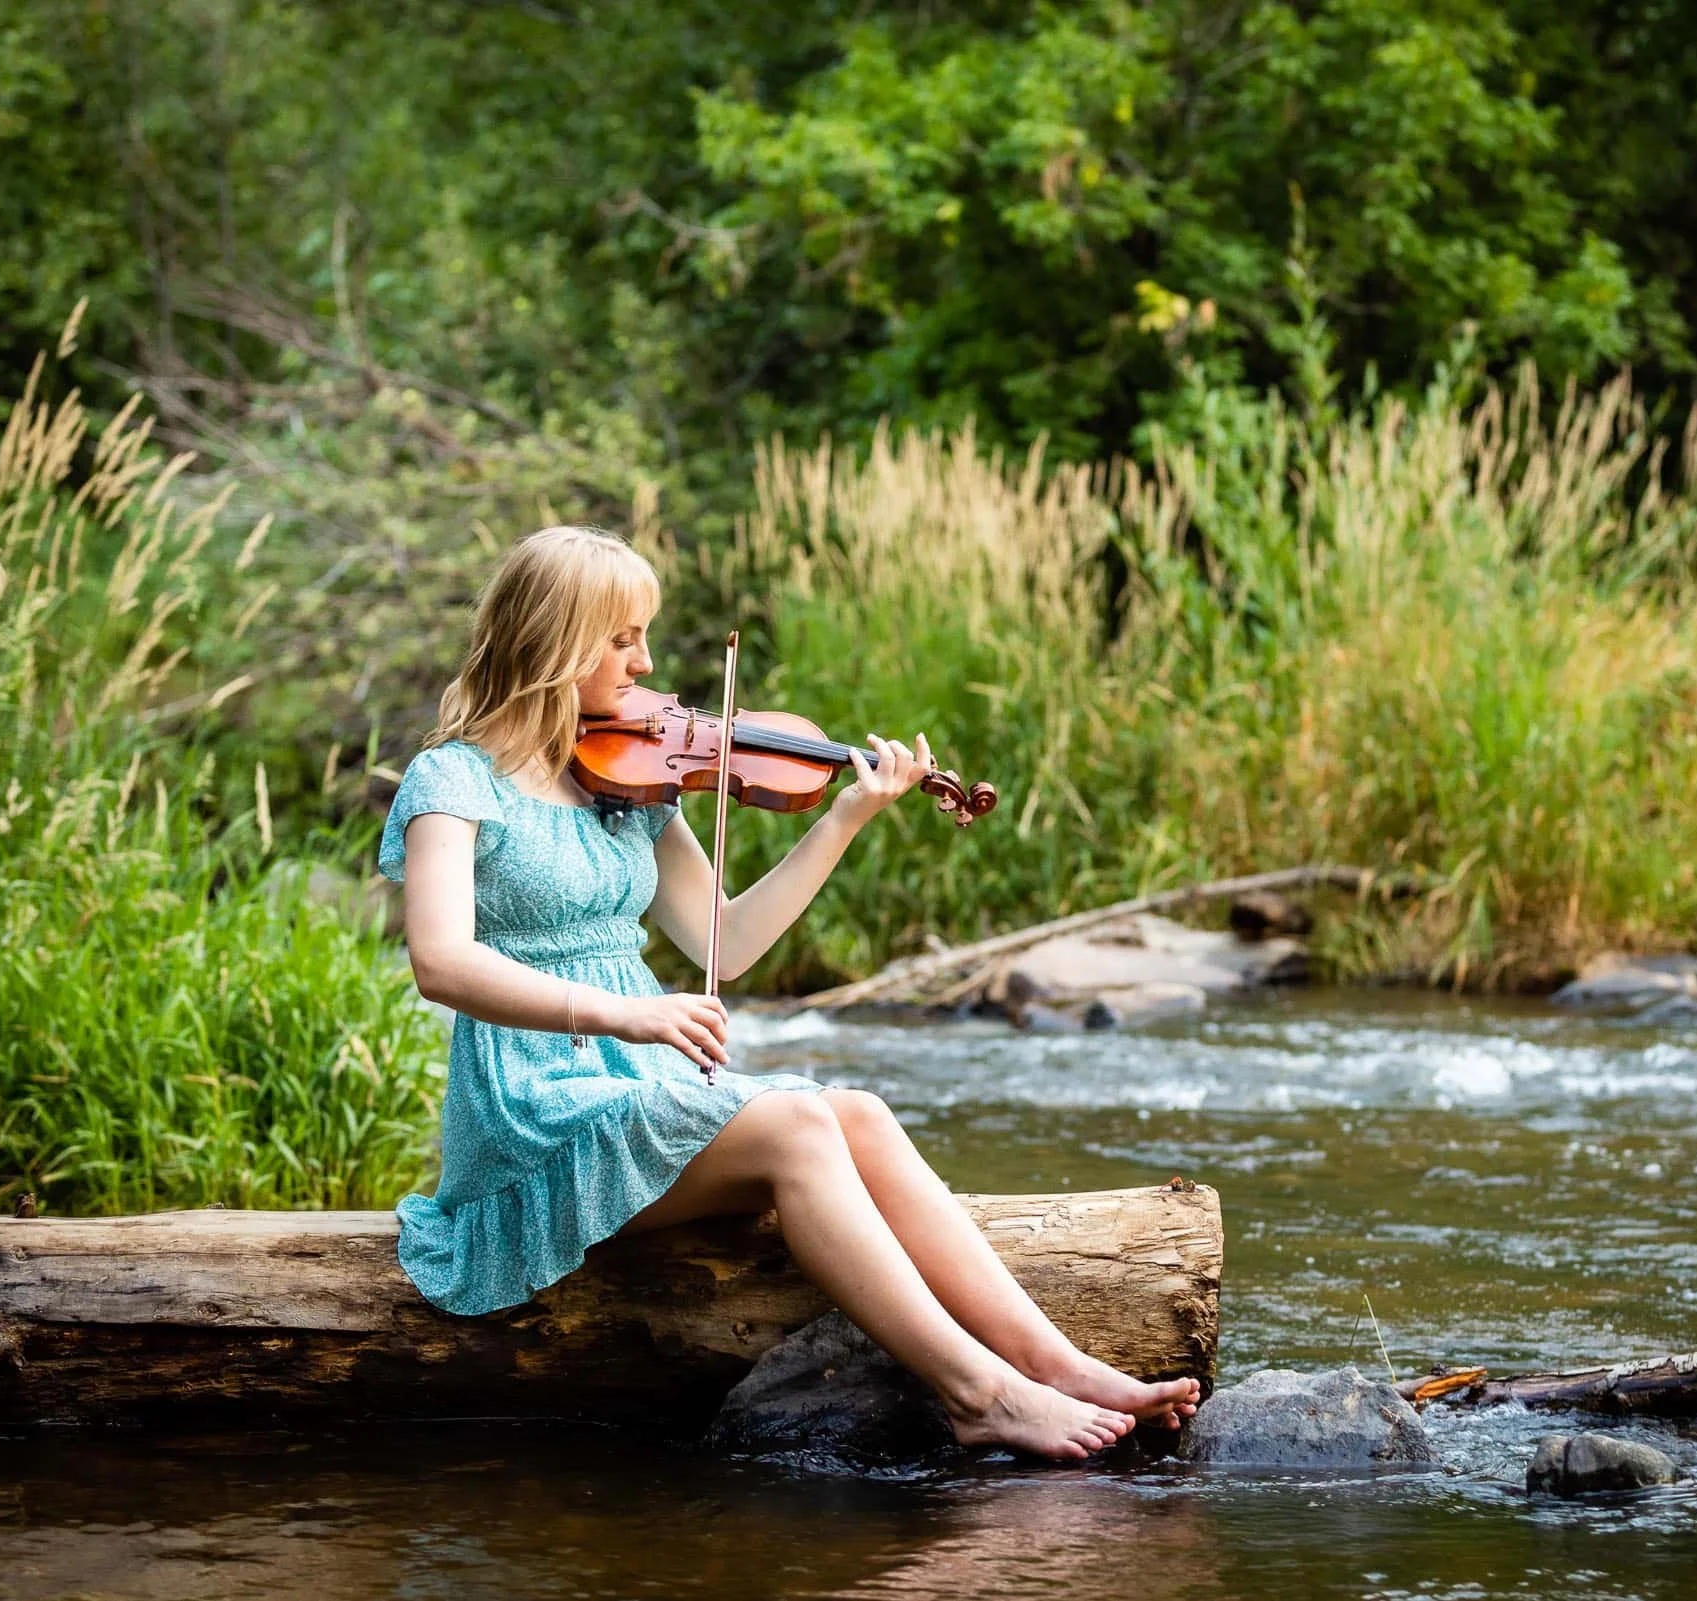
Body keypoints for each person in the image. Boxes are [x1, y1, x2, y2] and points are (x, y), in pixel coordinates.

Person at [382, 525, 1199, 1459]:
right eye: (621, 638)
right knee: (800, 1124)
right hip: (531, 1106)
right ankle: (978, 1395)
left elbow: (726, 938)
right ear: (551, 636)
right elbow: (439, 962)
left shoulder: (622, 781)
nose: (645, 662)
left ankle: (1058, 1364)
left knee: (857, 1110)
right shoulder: (454, 779)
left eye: (644, 635)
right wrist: (622, 1011)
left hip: (627, 1085)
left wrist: (846, 817)